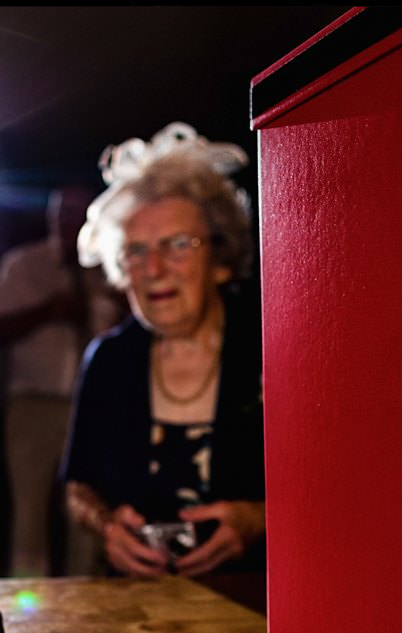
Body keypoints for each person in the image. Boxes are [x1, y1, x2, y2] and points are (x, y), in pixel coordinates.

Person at [62, 122, 266, 579]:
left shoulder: (272, 349)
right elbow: (79, 486)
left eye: (177, 245)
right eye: (136, 251)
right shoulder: (110, 359)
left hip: (260, 601)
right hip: (139, 608)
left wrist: (259, 520)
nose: (153, 269)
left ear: (220, 260)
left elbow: (343, 487)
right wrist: (106, 526)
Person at [0, 185, 123, 577]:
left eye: (77, 211)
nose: (67, 220)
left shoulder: (109, 266)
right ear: (50, 217)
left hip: (93, 407)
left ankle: (85, 598)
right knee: (29, 510)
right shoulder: (24, 264)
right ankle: (28, 606)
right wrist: (49, 310)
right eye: (60, 212)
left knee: (87, 511)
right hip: (33, 404)